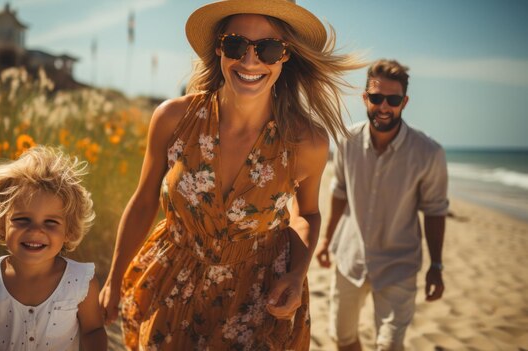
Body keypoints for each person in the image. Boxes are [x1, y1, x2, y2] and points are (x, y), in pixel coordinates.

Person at [98, 0, 362, 349]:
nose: (250, 61)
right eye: (236, 44)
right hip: (171, 283)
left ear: (286, 55)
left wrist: (297, 275)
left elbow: (307, 214)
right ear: (220, 47)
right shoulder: (174, 119)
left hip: (256, 298)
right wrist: (114, 278)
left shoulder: (306, 142)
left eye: (268, 49)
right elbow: (144, 199)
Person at [315, 59, 448, 351]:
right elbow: (339, 191)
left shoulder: (429, 153)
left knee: (389, 346)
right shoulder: (346, 140)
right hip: (350, 258)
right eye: (376, 98)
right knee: (343, 338)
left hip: (398, 264)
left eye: (393, 99)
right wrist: (326, 240)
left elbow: (435, 210)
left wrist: (436, 265)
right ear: (365, 98)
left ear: (405, 101)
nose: (384, 106)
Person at [0, 146, 107, 351]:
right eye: (22, 219)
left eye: (50, 222)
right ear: (1, 222)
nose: (35, 231)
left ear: (68, 231)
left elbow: (93, 331)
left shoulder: (80, 283)